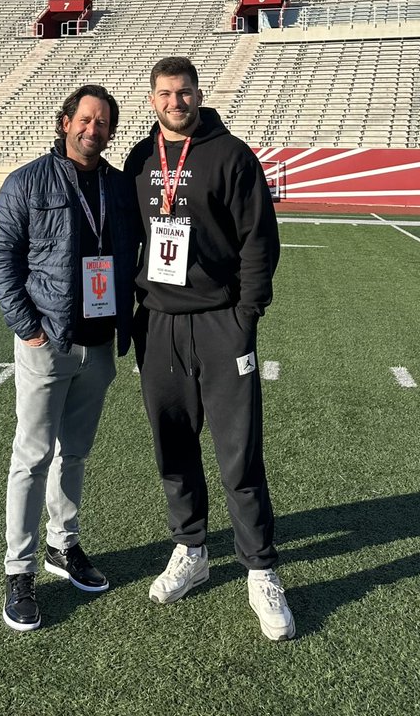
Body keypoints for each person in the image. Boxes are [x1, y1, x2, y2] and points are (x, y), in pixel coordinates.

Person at [124, 56, 294, 641]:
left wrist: (246, 315)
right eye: (166, 93)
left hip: (221, 322)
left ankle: (260, 569)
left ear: (199, 96)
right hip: (160, 324)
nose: (176, 101)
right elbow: (131, 239)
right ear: (152, 100)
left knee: (238, 451)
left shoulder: (232, 155)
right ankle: (190, 548)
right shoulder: (140, 159)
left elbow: (259, 240)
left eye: (185, 92)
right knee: (172, 443)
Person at [0, 84, 139, 632]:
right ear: (65, 121)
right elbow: (0, 255)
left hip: (99, 342)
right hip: (48, 339)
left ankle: (63, 544)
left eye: (103, 122)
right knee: (31, 457)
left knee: (74, 453)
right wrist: (26, 327)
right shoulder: (28, 181)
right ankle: (18, 570)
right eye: (86, 119)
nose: (93, 129)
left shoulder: (119, 187)